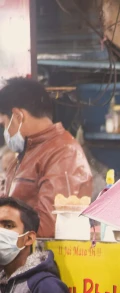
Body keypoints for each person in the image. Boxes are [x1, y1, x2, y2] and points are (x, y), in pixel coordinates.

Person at [0, 77, 92, 238]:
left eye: (4, 123)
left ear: (18, 116)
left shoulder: (63, 153)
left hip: (42, 259)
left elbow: (49, 227)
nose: (4, 131)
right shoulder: (27, 152)